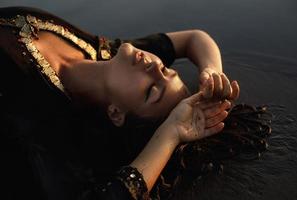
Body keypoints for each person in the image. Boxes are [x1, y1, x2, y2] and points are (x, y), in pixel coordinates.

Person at [0, 6, 241, 200]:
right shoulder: (100, 52)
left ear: (116, 113)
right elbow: (193, 38)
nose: (156, 67)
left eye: (151, 91)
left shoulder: (41, 111)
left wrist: (172, 132)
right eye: (167, 70)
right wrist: (211, 74)